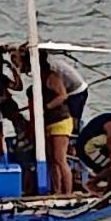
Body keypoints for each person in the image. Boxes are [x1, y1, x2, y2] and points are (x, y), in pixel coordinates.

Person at [10, 46, 89, 132]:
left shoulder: (50, 71)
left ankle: (77, 132)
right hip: (62, 88)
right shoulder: (39, 70)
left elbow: (62, 96)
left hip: (76, 90)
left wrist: (45, 108)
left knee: (73, 120)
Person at [37, 57, 74, 194]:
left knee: (60, 158)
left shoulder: (52, 78)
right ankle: (57, 190)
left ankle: (68, 192)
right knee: (52, 159)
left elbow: (63, 96)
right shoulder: (39, 78)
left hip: (61, 121)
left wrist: (47, 107)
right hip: (49, 122)